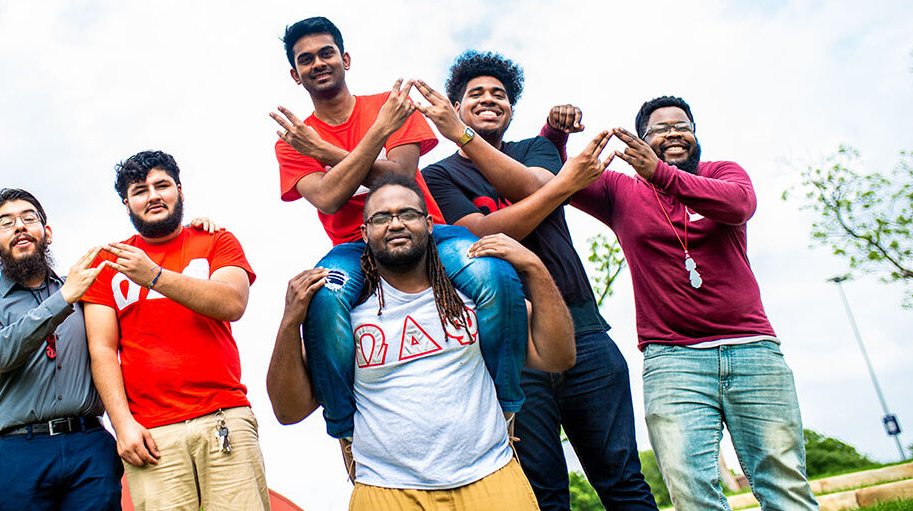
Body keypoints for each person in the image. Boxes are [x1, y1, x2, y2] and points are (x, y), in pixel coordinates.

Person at [490, 95, 818, 510]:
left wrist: (660, 173)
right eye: (659, 129)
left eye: (683, 125)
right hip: (672, 360)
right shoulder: (621, 191)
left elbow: (739, 206)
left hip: (752, 349)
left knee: (782, 484)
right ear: (642, 140)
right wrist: (554, 135)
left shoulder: (723, 174)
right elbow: (560, 183)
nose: (673, 133)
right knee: (691, 491)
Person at [415, 51, 659, 510]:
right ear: (455, 106)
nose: (489, 100)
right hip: (511, 343)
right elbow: (475, 240)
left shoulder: (536, 149)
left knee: (624, 482)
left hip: (585, 332)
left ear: (511, 108)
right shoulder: (437, 174)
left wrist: (468, 140)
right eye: (475, 95)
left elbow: (532, 187)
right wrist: (562, 187)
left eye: (500, 95)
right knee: (543, 493)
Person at [271, 15, 528, 443]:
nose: (318, 63)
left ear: (345, 58)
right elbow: (329, 198)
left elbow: (402, 181)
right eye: (306, 59)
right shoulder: (293, 140)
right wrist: (371, 139)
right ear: (295, 75)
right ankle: (346, 432)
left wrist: (327, 153)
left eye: (326, 53)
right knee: (323, 301)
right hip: (354, 247)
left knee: (496, 274)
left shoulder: (390, 105)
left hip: (428, 230)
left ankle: (506, 407)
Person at [268, 174, 576, 510]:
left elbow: (558, 356)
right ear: (364, 233)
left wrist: (534, 267)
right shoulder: (344, 315)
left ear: (430, 224)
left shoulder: (473, 298)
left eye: (408, 214)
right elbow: (288, 411)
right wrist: (289, 321)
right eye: (381, 218)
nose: (395, 224)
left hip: (490, 478)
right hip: (387, 491)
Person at [81, 150, 269, 510]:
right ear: (127, 204)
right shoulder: (108, 263)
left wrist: (153, 275)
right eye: (140, 190)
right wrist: (122, 426)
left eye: (161, 185)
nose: (152, 195)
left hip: (223, 415)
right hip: (150, 432)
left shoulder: (216, 240)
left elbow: (233, 303)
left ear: (179, 191)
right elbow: (102, 350)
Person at [0, 188, 122, 510]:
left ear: (46, 232)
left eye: (28, 218)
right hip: (21, 453)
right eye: (6, 223)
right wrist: (63, 299)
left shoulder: (87, 295)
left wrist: (186, 229)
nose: (19, 226)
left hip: (90, 445)